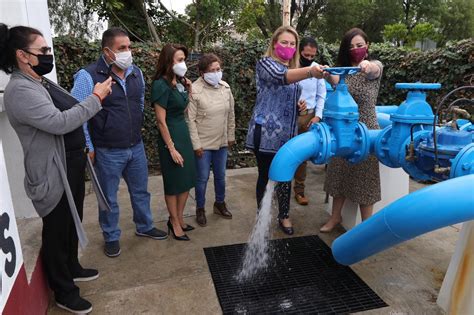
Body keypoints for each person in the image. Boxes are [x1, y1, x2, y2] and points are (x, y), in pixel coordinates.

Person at [0, 24, 112, 313]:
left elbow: (69, 110)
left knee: (71, 222)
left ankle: (72, 266)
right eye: (43, 50)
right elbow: (59, 122)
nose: (48, 55)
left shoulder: (39, 82)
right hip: (52, 174)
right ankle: (64, 291)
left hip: (70, 165)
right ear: (23, 55)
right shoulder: (20, 90)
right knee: (56, 229)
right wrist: (96, 98)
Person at [71, 27, 167, 258]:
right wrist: (89, 147)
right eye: (121, 48)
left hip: (135, 146)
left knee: (141, 192)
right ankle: (111, 236)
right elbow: (78, 114)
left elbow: (139, 104)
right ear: (107, 51)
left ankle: (144, 226)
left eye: (129, 47)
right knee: (109, 198)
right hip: (106, 150)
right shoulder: (88, 76)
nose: (128, 52)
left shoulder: (136, 73)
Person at [245, 26, 325, 235]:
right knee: (265, 176)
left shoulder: (292, 69)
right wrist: (311, 71)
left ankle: (284, 216)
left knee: (285, 175)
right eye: (284, 42)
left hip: (288, 134)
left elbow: (288, 88)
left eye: (292, 44)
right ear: (274, 44)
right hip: (266, 133)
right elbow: (282, 77)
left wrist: (298, 105)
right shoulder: (266, 64)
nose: (289, 47)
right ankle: (262, 216)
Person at [321, 28, 383, 232]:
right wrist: (328, 74)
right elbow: (336, 81)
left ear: (367, 46)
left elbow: (375, 69)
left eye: (359, 45)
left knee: (365, 179)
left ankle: (366, 228)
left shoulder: (374, 68)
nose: (355, 49)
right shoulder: (345, 70)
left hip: (367, 130)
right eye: (351, 47)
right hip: (343, 129)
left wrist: (367, 65)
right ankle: (335, 217)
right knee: (338, 173)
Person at [151, 43, 196, 241]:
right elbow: (161, 121)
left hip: (182, 133)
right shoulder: (160, 85)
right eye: (179, 60)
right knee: (173, 182)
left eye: (184, 59)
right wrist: (171, 148)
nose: (183, 63)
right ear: (169, 62)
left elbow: (183, 110)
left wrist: (189, 89)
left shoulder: (180, 82)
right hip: (169, 136)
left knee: (186, 179)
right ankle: (174, 221)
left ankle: (179, 217)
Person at [187, 53, 236, 227]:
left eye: (218, 69)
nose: (216, 73)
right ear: (202, 73)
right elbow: (190, 120)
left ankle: (219, 203)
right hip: (203, 144)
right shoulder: (194, 90)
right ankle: (200, 208)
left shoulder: (225, 87)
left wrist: (230, 135)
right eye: (211, 70)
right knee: (202, 178)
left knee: (221, 176)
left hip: (221, 141)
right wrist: (196, 145)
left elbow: (231, 113)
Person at [293, 37, 327, 206]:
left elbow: (321, 95)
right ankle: (278, 186)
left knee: (302, 155)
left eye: (312, 56)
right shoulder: (291, 67)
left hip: (308, 116)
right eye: (306, 54)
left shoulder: (317, 69)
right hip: (289, 115)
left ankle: (299, 190)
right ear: (300, 51)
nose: (309, 58)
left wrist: (318, 116)